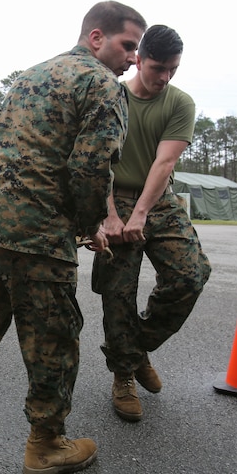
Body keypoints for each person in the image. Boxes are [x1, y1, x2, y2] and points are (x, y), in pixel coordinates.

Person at [0, 1, 146, 473]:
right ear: (96, 37)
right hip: (37, 233)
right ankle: (46, 444)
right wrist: (91, 227)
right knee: (53, 338)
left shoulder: (31, 74)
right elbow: (89, 166)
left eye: (138, 50)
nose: (133, 59)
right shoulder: (103, 85)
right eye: (128, 45)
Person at [89, 25, 212, 422]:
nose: (165, 78)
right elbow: (97, 159)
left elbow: (165, 163)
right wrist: (108, 215)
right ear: (138, 59)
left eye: (173, 70)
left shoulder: (180, 102)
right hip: (110, 195)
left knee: (190, 276)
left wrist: (140, 214)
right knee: (117, 290)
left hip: (157, 198)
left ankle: (135, 347)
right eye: (158, 68)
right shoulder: (111, 95)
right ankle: (123, 373)